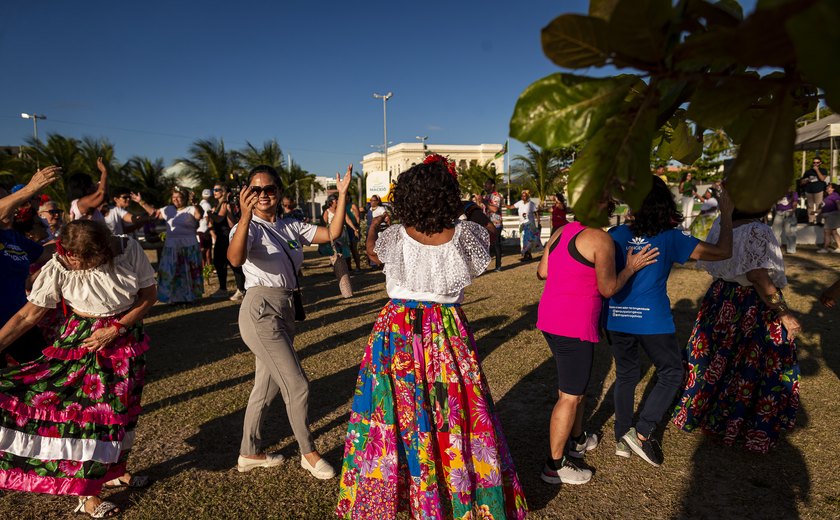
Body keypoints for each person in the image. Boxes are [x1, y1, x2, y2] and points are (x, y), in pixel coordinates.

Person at [336, 155, 527, 519]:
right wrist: (470, 207)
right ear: (447, 196)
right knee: (452, 411)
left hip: (397, 331)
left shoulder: (393, 237)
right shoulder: (464, 236)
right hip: (446, 331)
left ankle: (401, 496)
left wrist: (376, 223)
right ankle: (456, 495)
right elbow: (487, 233)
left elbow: (372, 252)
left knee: (396, 411)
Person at [0, 219, 156, 517]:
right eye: (73, 257)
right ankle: (87, 495)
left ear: (104, 250)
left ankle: (114, 471)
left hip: (126, 338)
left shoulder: (127, 249)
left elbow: (148, 297)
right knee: (91, 419)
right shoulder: (59, 266)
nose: (77, 263)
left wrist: (117, 329)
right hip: (83, 343)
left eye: (86, 259)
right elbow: (26, 317)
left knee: (123, 412)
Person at [228, 164, 353, 480]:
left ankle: (249, 452)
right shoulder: (249, 227)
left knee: (265, 387)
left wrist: (341, 194)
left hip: (285, 307)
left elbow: (332, 233)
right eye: (255, 190)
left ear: (279, 191)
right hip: (260, 310)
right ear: (247, 194)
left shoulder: (290, 225)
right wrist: (244, 217)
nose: (263, 195)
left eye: (269, 188)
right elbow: (235, 258)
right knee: (297, 385)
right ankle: (308, 453)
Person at [607, 176, 734, 467]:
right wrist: (726, 215)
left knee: (626, 374)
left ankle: (621, 437)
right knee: (672, 373)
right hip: (652, 321)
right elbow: (723, 252)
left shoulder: (614, 233)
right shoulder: (671, 236)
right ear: (664, 203)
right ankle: (640, 434)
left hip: (615, 317)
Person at [536, 202, 659, 485]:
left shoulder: (561, 231)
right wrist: (630, 267)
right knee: (570, 395)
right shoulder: (600, 238)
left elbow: (542, 272)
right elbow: (608, 288)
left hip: (550, 319)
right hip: (573, 325)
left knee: (574, 388)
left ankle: (577, 439)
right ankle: (555, 466)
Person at [672, 207, 801, 454]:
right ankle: (739, 423)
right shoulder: (757, 229)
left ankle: (704, 412)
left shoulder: (724, 222)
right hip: (750, 303)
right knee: (750, 365)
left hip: (722, 297)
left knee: (717, 359)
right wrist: (783, 311)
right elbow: (757, 275)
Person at [146, 186, 204, 304]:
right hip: (171, 246)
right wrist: (141, 202)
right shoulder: (168, 209)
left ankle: (189, 297)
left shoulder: (191, 209)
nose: (176, 200)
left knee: (187, 272)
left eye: (179, 197)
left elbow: (199, 215)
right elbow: (154, 213)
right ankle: (173, 298)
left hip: (189, 245)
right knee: (171, 272)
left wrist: (196, 204)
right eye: (173, 197)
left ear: (185, 198)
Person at [209, 184, 246, 301]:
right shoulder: (219, 204)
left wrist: (210, 214)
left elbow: (220, 219)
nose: (214, 192)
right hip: (221, 237)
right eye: (213, 190)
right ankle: (223, 288)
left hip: (226, 237)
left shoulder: (225, 204)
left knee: (233, 264)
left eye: (217, 190)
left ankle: (241, 289)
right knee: (219, 263)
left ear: (224, 192)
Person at [67, 158, 109, 223]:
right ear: (85, 187)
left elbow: (104, 195)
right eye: (91, 183)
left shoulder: (80, 203)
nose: (94, 185)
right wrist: (104, 171)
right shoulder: (81, 203)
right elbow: (102, 193)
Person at [507, 189, 541, 261]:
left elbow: (536, 213)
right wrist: (503, 204)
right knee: (523, 240)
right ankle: (527, 255)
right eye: (522, 196)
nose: (523, 197)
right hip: (522, 225)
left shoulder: (531, 204)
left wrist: (539, 222)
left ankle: (527, 255)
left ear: (528, 196)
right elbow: (511, 207)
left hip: (530, 224)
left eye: (525, 196)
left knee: (528, 240)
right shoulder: (520, 203)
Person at [483, 179, 504, 271]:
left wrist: (483, 202)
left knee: (496, 244)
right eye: (485, 184)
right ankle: (484, 266)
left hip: (496, 224)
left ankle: (498, 266)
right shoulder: (486, 196)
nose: (485, 185)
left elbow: (495, 209)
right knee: (485, 244)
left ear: (492, 185)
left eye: (487, 184)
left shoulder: (496, 196)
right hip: (487, 223)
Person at [800, 157, 828, 224]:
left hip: (819, 190)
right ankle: (811, 221)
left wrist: (817, 170)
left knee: (819, 206)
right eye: (814, 162)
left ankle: (819, 221)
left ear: (820, 163)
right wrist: (806, 180)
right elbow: (802, 182)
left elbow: (822, 179)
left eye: (817, 162)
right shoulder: (808, 171)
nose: (815, 164)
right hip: (809, 191)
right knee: (810, 206)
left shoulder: (823, 170)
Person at [365, 195, 390, 269]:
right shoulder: (369, 209)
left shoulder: (380, 209)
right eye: (371, 200)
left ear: (377, 201)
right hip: (369, 229)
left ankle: (381, 262)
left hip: (378, 231)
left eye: (373, 200)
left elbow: (386, 215)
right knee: (369, 246)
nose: (372, 202)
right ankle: (373, 263)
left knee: (378, 246)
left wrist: (382, 219)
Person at [817, 183, 840, 253]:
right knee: (833, 232)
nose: (827, 188)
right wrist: (816, 212)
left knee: (827, 232)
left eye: (829, 187)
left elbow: (838, 203)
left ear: (833, 189)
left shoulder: (835, 195)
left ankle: (825, 248)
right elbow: (823, 207)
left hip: (832, 215)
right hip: (829, 216)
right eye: (827, 187)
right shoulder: (827, 197)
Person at [774, 189, 799, 254]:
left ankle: (791, 249)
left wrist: (792, 211)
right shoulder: (777, 192)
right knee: (775, 232)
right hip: (779, 213)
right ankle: (776, 249)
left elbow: (795, 203)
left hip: (789, 212)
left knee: (790, 232)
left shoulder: (793, 193)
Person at [197, 189, 214, 269]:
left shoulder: (200, 203)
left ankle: (204, 267)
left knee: (202, 250)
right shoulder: (207, 205)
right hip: (205, 230)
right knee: (208, 250)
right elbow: (208, 218)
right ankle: (209, 267)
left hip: (199, 230)